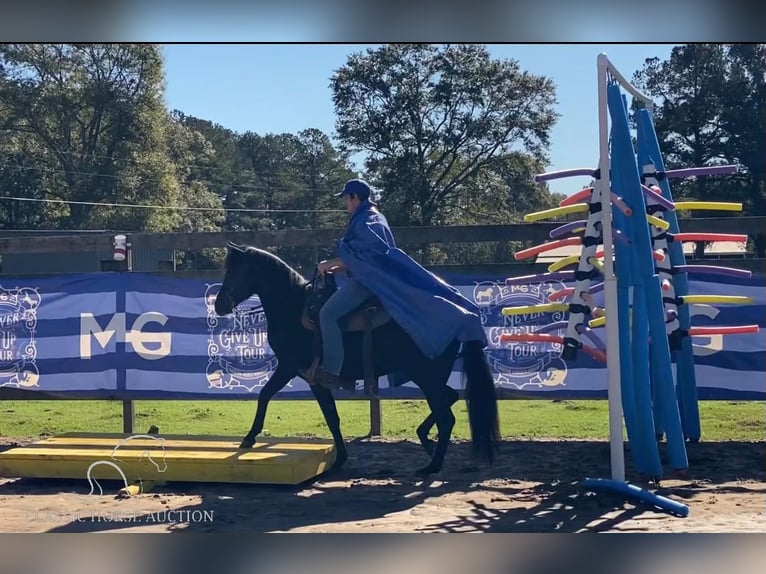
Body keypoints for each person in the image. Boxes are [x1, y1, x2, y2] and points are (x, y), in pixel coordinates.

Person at [306, 178, 488, 389]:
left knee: (328, 314)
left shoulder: (367, 219)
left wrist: (330, 263)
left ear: (355, 197)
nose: (345, 203)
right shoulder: (370, 217)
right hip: (368, 276)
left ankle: (332, 372)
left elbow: (369, 253)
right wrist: (342, 266)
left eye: (346, 198)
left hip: (370, 282)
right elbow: (365, 256)